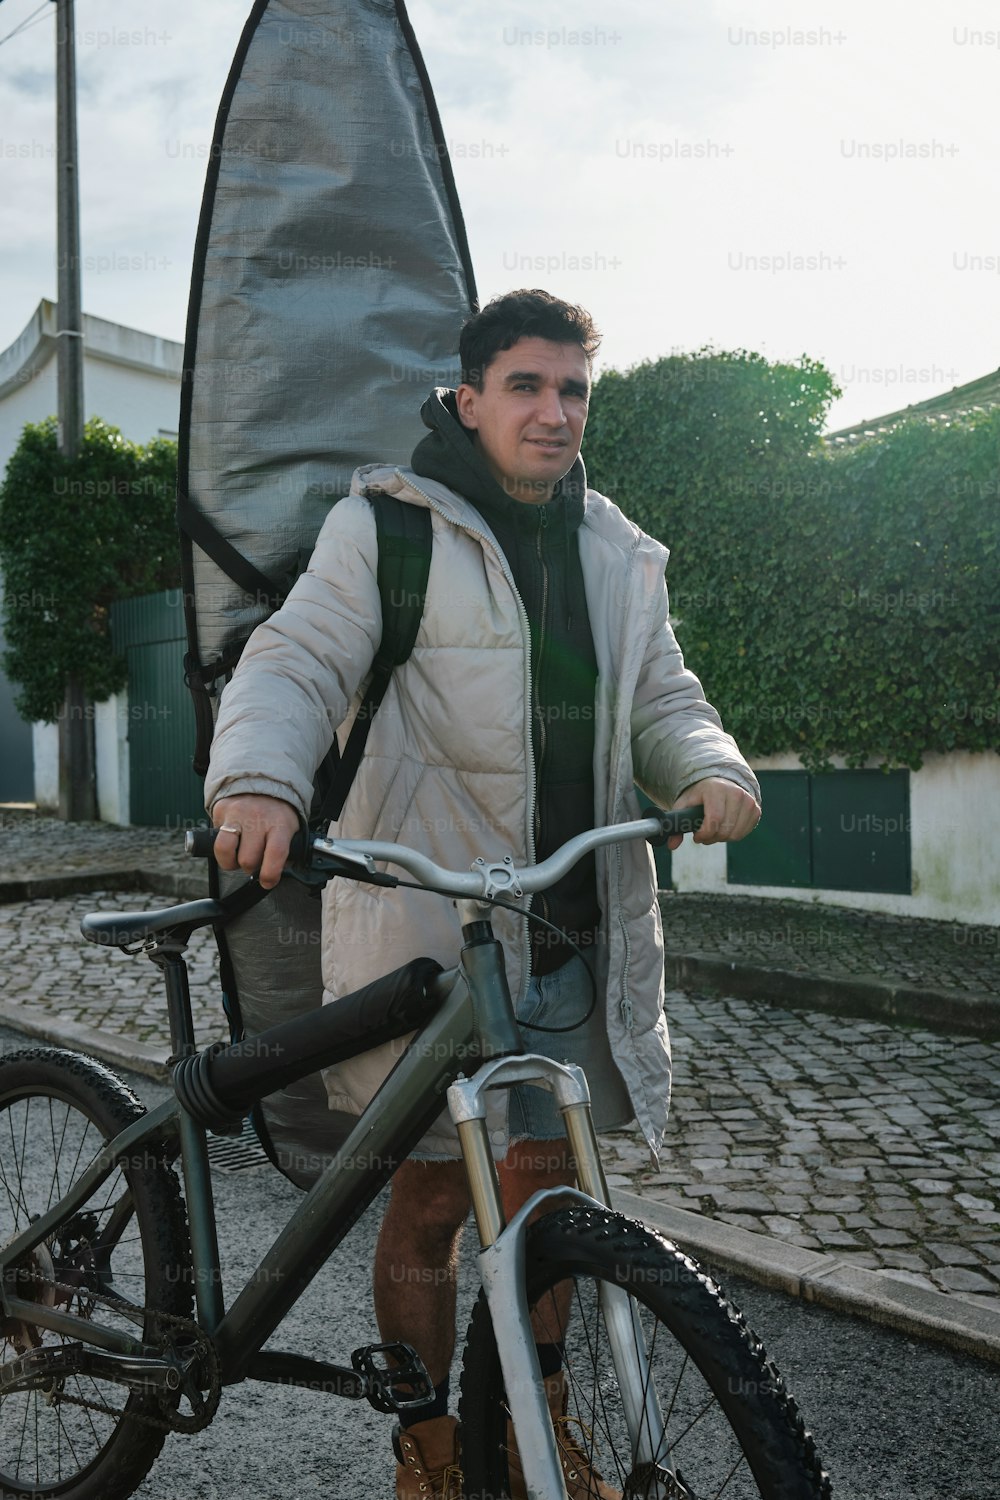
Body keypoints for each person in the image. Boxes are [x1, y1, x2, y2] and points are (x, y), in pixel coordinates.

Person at [205, 288, 761, 1498]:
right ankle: (432, 1447)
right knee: (432, 1198)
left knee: (544, 1193)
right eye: (526, 385)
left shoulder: (614, 548)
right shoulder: (389, 530)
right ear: (469, 398)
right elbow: (296, 660)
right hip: (432, 922)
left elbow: (665, 696)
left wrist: (708, 765)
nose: (554, 411)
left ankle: (528, 1428)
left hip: (569, 921)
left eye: (573, 389)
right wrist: (256, 778)